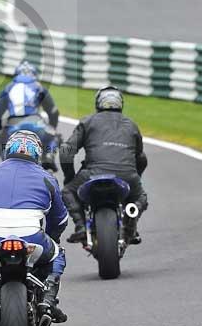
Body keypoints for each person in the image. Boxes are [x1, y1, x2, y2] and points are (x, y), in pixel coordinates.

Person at [0, 130, 69, 325]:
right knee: (57, 253)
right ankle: (49, 299)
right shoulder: (47, 178)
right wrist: (53, 238)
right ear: (37, 153)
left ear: (8, 149)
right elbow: (60, 219)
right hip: (33, 238)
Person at [60, 85, 148, 245]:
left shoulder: (88, 121)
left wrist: (69, 177)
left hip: (93, 173)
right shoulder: (132, 125)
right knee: (140, 196)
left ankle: (80, 226)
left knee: (67, 191)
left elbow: (66, 150)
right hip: (126, 175)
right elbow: (141, 158)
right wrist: (135, 177)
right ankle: (131, 224)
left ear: (98, 103)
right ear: (121, 103)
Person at [0, 60, 60, 170]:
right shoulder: (39, 87)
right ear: (34, 74)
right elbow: (53, 112)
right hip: (37, 125)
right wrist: (52, 129)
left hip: (12, 127)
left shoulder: (8, 87)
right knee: (55, 136)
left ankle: (6, 163)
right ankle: (48, 157)